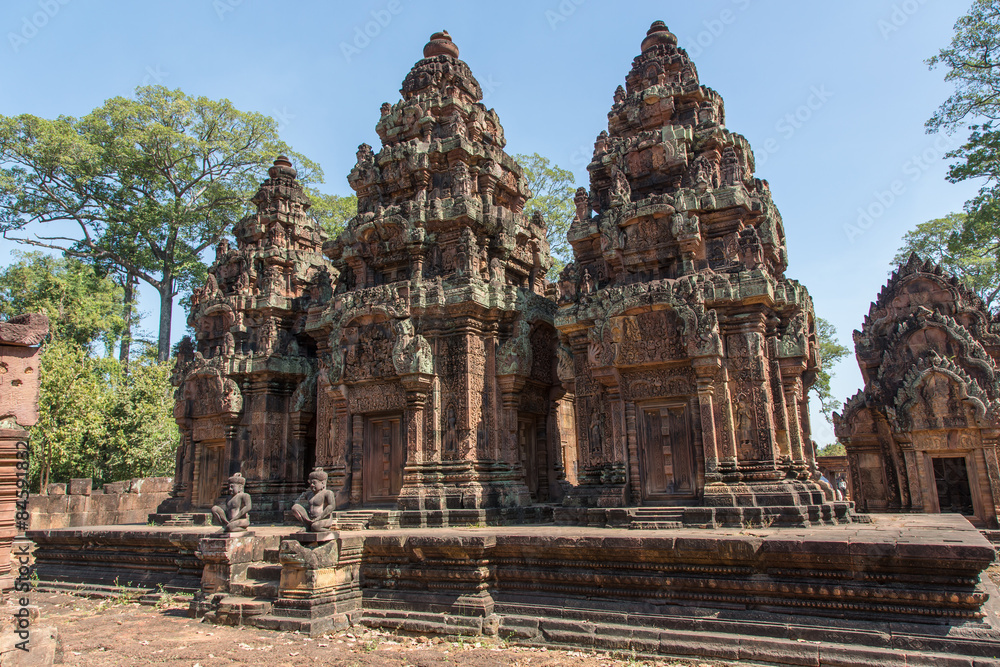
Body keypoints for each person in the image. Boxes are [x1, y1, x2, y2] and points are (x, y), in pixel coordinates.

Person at [291, 467, 337, 532]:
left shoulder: (327, 493)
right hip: (311, 519)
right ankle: (307, 525)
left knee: (315, 527)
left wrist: (320, 517)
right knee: (295, 507)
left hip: (324, 519)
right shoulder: (309, 494)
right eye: (311, 483)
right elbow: (299, 503)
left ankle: (329, 531)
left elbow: (331, 506)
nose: (312, 485)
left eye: (314, 483)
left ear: (322, 483)